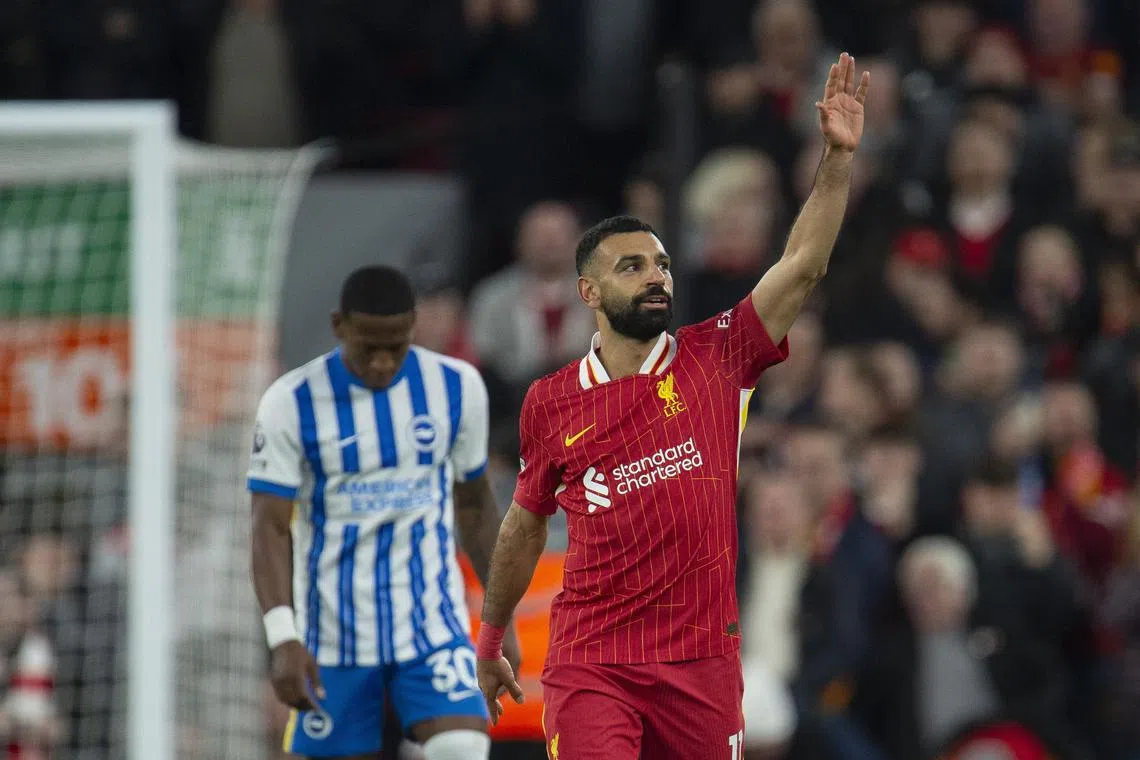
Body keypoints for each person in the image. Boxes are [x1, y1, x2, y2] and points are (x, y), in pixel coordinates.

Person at [475, 52, 870, 759]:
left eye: (660, 263)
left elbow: (804, 264)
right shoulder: (551, 400)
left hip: (700, 667)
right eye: (632, 266)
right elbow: (523, 525)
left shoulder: (718, 356)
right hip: (592, 661)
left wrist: (835, 160)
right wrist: (491, 633)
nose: (656, 277)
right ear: (589, 293)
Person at [247, 266, 519, 760]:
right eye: (367, 346)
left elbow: (476, 508)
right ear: (338, 326)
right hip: (332, 641)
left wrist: (501, 626)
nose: (380, 362)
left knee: (461, 747)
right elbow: (268, 527)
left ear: (413, 326)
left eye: (394, 346)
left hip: (431, 628)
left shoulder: (457, 387)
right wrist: (282, 638)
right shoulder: (291, 402)